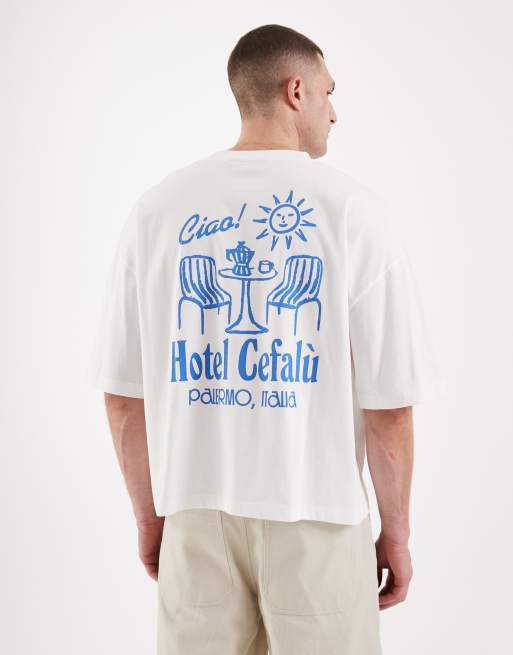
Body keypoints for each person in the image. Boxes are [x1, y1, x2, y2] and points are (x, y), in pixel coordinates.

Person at [86, 23, 446, 655]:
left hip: (196, 516)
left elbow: (122, 396)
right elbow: (389, 407)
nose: (334, 113)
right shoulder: (351, 211)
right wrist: (397, 534)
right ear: (296, 90)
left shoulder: (157, 211)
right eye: (329, 93)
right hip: (317, 516)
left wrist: (151, 516)